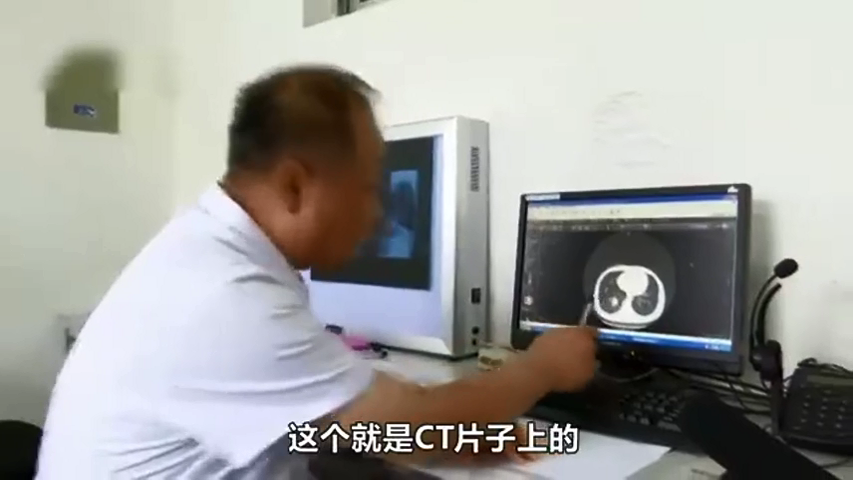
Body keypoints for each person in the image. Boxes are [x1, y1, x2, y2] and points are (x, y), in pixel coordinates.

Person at [36, 65, 599, 479]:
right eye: (367, 189)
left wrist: (453, 433)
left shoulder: (208, 245)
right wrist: (542, 367)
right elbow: (408, 425)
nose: (378, 215)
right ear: (293, 185)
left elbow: (317, 425)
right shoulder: (228, 295)